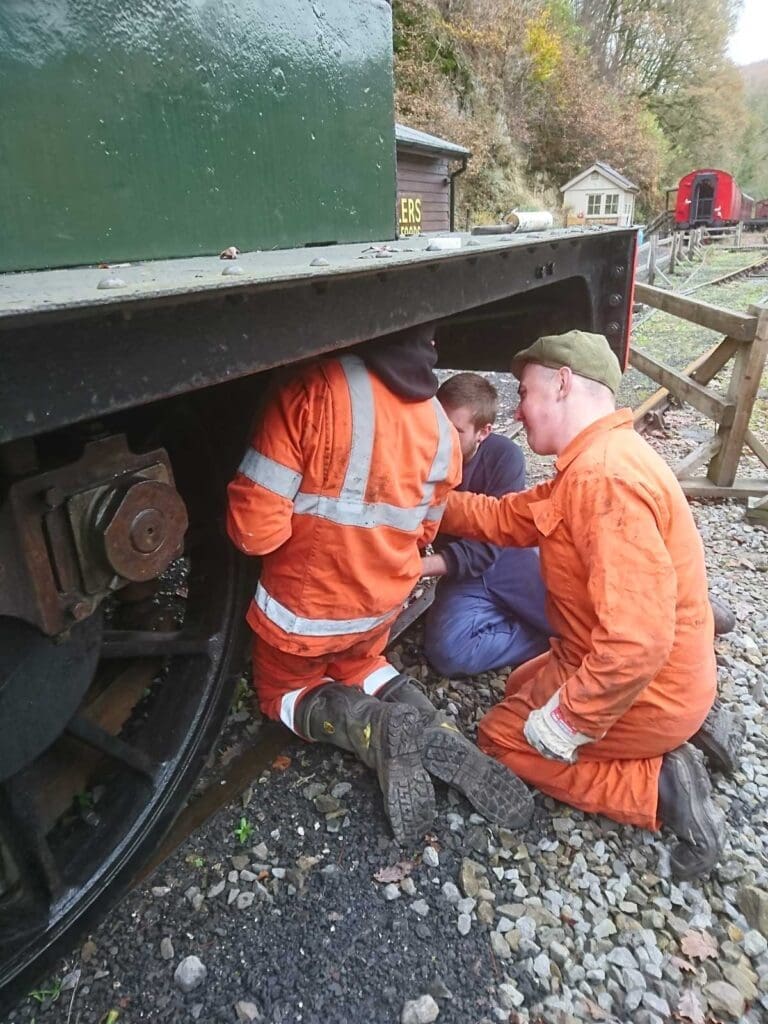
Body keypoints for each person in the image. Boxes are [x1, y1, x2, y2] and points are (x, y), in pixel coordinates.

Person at [226, 324, 533, 846]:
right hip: (376, 616)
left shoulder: (311, 386)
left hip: (302, 618)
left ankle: (369, 727)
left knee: (283, 692)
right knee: (364, 665)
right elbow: (427, 531)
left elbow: (254, 533)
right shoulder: (440, 426)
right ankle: (434, 727)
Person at [438, 330, 728, 880]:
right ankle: (682, 730)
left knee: (501, 737)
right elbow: (508, 518)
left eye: (524, 392)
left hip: (651, 687)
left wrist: (570, 721)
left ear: (563, 383)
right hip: (641, 669)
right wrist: (431, 504)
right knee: (520, 686)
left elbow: (638, 642)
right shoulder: (596, 460)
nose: (520, 412)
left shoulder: (604, 479)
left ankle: (660, 783)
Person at [421, 372, 551, 676]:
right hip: (463, 572)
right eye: (438, 427)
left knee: (575, 626)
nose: (442, 440)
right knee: (448, 654)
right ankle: (540, 641)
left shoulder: (505, 457)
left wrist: (418, 569)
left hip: (509, 559)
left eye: (456, 431)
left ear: (483, 432)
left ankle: (551, 631)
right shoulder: (421, 454)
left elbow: (489, 548)